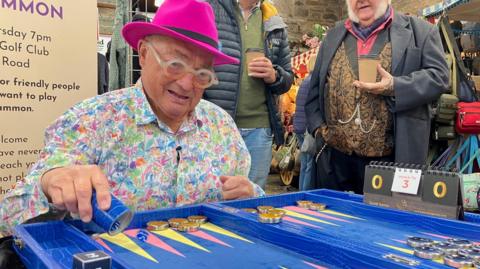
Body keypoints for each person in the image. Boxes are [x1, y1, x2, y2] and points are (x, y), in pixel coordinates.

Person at [0, 0, 264, 239]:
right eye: (175, 64)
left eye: (202, 73)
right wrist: (48, 185)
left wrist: (251, 196)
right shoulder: (91, 119)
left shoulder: (222, 126)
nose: (187, 84)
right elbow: (7, 219)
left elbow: (259, 205)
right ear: (144, 54)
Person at [305, 0, 449, 194]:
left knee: (386, 222)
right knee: (335, 221)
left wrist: (395, 86)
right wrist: (318, 132)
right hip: (335, 162)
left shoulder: (421, 32)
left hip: (392, 160)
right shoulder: (333, 36)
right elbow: (314, 91)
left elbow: (439, 77)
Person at [205, 0, 294, 189]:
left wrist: (274, 75)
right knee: (214, 192)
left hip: (259, 129)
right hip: (216, 127)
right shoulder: (211, 9)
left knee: (252, 197)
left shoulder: (274, 22)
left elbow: (287, 79)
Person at [293, 55, 317, 191]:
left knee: (304, 164)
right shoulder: (313, 81)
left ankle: (301, 191)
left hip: (299, 126)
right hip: (307, 128)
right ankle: (305, 193)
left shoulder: (305, 81)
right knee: (309, 165)